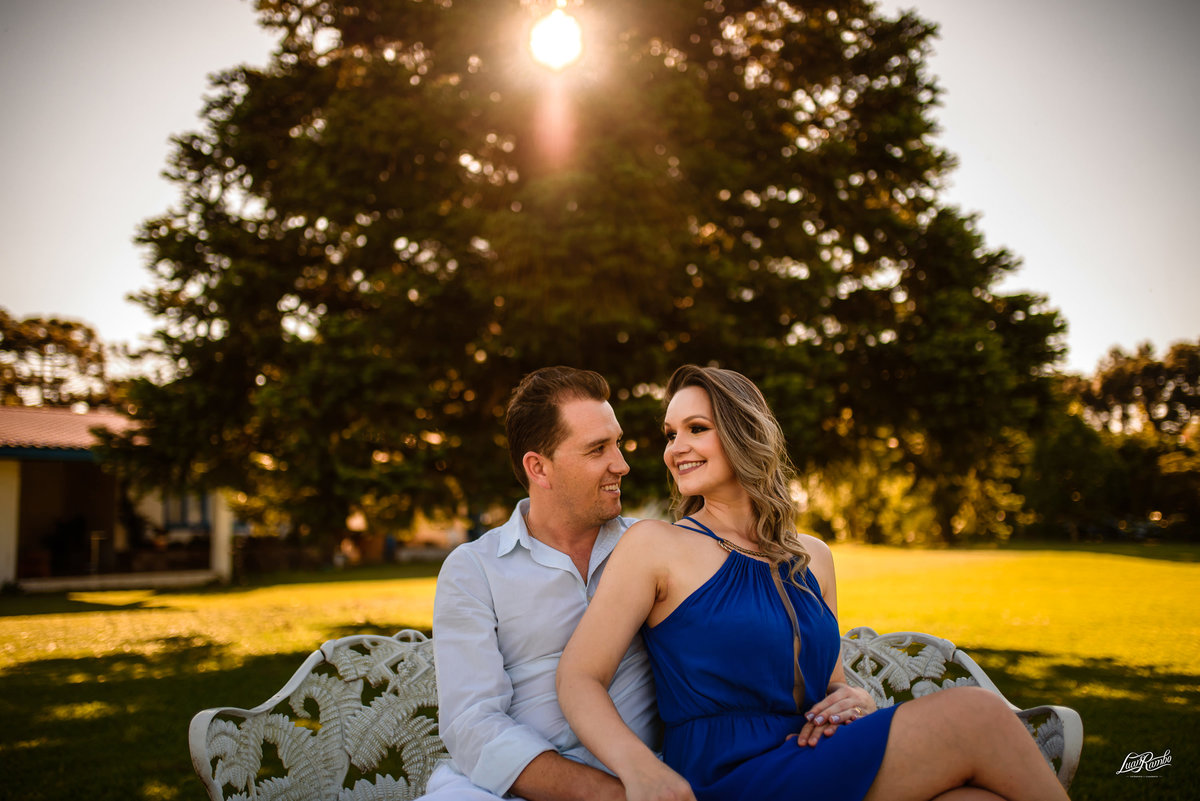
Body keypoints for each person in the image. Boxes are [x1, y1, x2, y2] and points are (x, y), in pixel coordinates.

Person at [557, 364, 1070, 801]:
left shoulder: (813, 557)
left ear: (743, 433)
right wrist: (640, 769)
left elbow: (831, 682)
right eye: (671, 434)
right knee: (976, 714)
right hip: (728, 775)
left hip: (813, 754)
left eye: (696, 428)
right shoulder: (655, 545)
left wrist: (855, 698)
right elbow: (578, 678)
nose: (676, 448)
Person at [422, 366, 660, 801]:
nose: (621, 464)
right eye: (597, 449)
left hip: (646, 777)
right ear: (539, 468)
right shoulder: (475, 569)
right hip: (505, 790)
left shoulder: (652, 549)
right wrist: (609, 795)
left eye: (618, 443)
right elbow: (472, 723)